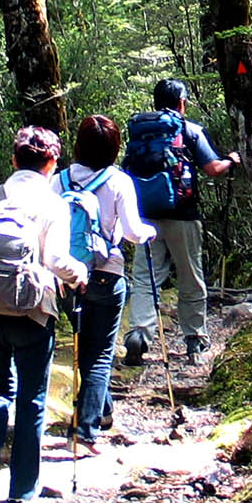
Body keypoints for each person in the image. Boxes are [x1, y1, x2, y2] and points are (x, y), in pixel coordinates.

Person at [0, 126, 87, 501]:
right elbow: (56, 260)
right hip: (33, 312)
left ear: (14, 160)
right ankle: (24, 487)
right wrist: (81, 275)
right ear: (52, 164)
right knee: (31, 398)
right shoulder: (54, 204)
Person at [122, 79, 240, 364]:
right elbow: (213, 168)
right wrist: (232, 160)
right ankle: (194, 339)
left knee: (145, 278)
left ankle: (139, 334)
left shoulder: (141, 132)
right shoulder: (189, 130)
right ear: (182, 102)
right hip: (183, 216)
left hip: (145, 217)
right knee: (190, 276)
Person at [59, 116, 155, 453]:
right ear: (115, 148)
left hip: (67, 276)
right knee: (99, 355)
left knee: (86, 349)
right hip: (107, 274)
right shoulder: (118, 181)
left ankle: (104, 411)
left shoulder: (59, 181)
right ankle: (86, 430)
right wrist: (150, 232)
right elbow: (132, 232)